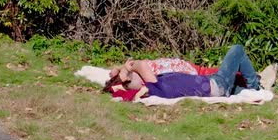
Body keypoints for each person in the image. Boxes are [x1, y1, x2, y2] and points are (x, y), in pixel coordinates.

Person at [109, 45, 263, 99]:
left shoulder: (153, 88)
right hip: (216, 85)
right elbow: (139, 65)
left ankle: (251, 88)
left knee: (236, 86)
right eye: (132, 75)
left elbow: (131, 76)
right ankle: (255, 88)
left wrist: (120, 73)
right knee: (237, 50)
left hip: (210, 82)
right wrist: (126, 69)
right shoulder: (154, 88)